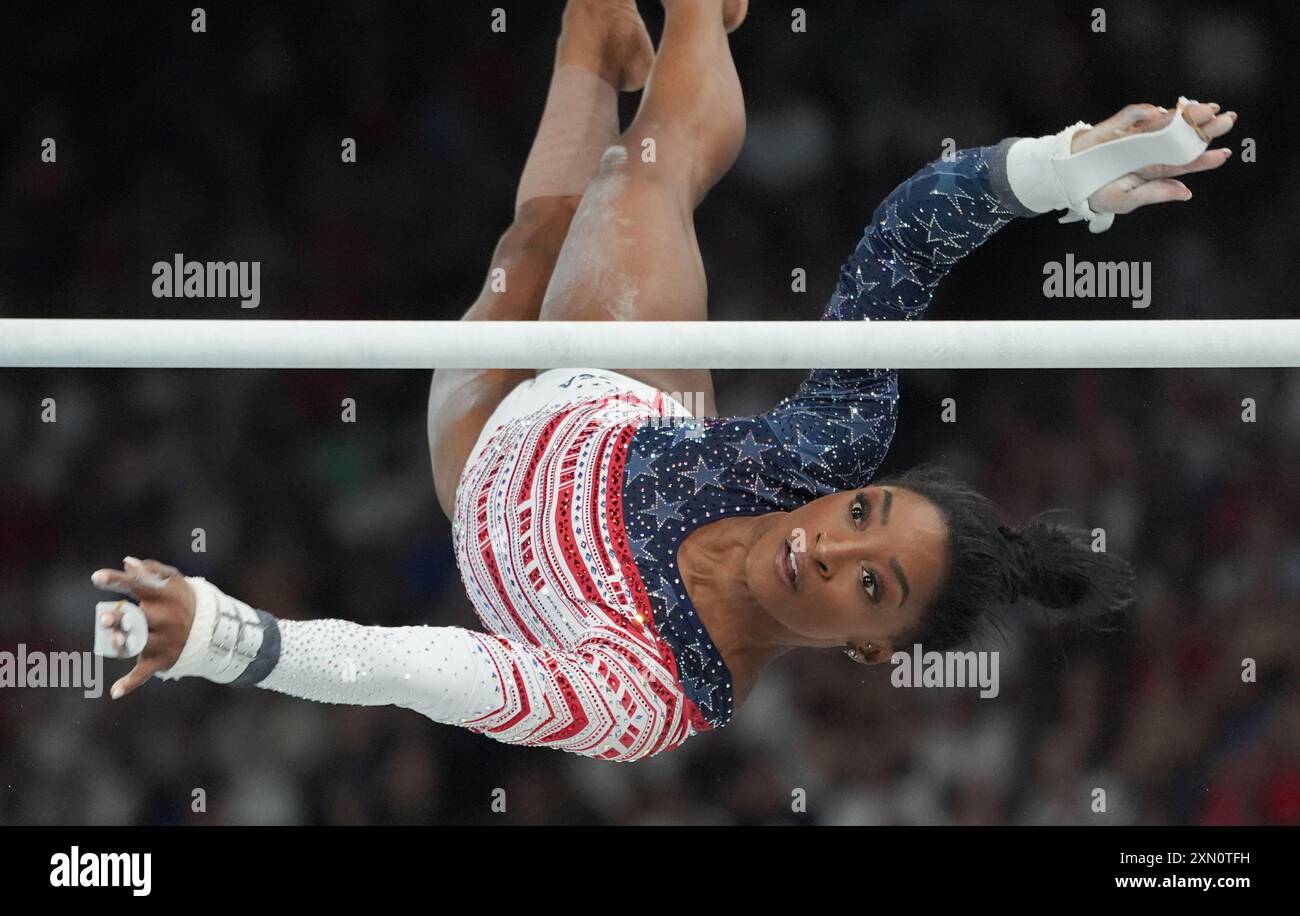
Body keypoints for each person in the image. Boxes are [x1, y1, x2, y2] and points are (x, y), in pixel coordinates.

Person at [93, 0, 1236, 762]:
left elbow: (427, 670)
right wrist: (1067, 167)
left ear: (871, 647)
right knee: (644, 170)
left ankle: (592, 39)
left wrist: (227, 635)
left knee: (527, 238)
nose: (829, 546)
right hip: (614, 385)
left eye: (870, 587)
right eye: (864, 514)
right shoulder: (827, 444)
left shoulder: (647, 699)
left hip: (485, 466)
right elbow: (907, 236)